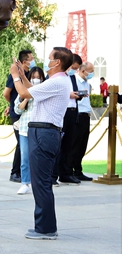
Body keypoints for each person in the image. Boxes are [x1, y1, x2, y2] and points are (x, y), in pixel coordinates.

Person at [9, 46, 73, 240]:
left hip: (44, 132)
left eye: (50, 58)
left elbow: (24, 93)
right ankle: (44, 226)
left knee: (41, 183)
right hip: (43, 131)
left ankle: (46, 229)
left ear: (57, 62)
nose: (47, 61)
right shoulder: (57, 81)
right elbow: (33, 91)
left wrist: (15, 76)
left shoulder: (58, 81)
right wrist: (22, 75)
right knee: (40, 182)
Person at [3, 49, 35, 183]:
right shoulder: (15, 75)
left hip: (28, 112)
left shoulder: (30, 75)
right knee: (21, 143)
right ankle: (15, 172)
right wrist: (12, 105)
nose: (33, 61)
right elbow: (6, 93)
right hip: (18, 113)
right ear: (24, 61)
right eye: (31, 59)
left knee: (25, 143)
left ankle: (24, 172)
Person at [13, 66, 46, 195]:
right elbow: (17, 110)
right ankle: (25, 183)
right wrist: (26, 97)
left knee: (39, 157)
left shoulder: (44, 91)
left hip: (39, 128)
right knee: (25, 157)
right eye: (33, 77)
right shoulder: (23, 91)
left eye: (38, 78)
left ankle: (39, 182)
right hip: (24, 128)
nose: (36, 80)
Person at [54, 53, 82, 186]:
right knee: (58, 144)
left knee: (68, 145)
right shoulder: (58, 76)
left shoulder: (72, 77)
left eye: (76, 69)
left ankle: (65, 173)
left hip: (72, 111)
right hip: (62, 112)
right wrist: (68, 94)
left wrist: (78, 95)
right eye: (73, 67)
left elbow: (73, 92)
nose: (74, 70)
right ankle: (52, 175)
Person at [70, 62, 95, 181]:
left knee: (83, 144)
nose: (92, 74)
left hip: (86, 115)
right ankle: (70, 170)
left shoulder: (87, 84)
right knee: (75, 143)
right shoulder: (74, 81)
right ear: (83, 71)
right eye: (91, 71)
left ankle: (78, 170)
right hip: (78, 114)